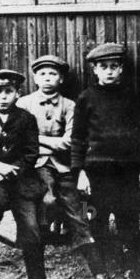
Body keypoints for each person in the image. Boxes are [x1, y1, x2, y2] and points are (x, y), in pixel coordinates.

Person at [71, 43, 140, 279]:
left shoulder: (131, 97)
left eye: (114, 66)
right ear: (94, 69)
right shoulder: (86, 98)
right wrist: (80, 171)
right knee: (99, 223)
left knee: (129, 221)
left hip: (126, 170)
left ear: (121, 69)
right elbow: (78, 139)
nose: (109, 71)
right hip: (97, 171)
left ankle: (129, 276)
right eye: (103, 67)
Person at [0, 68, 49, 279]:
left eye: (9, 91)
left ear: (17, 93)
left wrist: (11, 170)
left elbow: (31, 153)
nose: (3, 97)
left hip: (22, 180)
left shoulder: (26, 118)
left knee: (30, 225)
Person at [16, 55, 93, 251]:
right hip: (36, 164)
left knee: (75, 199)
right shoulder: (23, 104)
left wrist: (35, 138)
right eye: (42, 74)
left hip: (63, 163)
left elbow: (68, 142)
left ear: (61, 79)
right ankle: (40, 238)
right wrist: (38, 142)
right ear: (35, 78)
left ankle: (84, 242)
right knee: (47, 199)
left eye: (53, 73)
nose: (47, 77)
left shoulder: (69, 105)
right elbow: (20, 140)